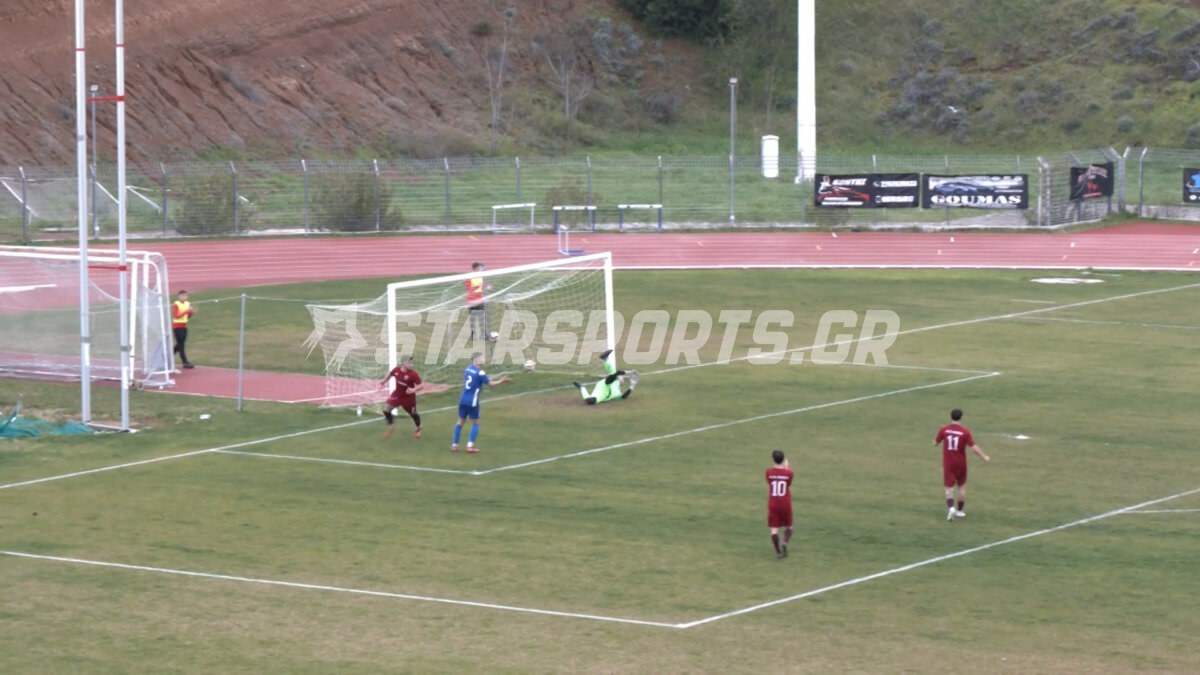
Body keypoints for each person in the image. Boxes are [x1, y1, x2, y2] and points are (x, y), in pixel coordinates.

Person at [934, 408, 991, 521]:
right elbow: (973, 448)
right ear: (961, 417)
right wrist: (984, 456)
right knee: (961, 486)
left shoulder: (944, 430)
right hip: (961, 463)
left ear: (951, 417)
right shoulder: (965, 432)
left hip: (948, 463)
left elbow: (935, 443)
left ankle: (951, 508)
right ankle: (960, 511)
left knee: (949, 487)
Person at [452, 351, 510, 453]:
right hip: (472, 401)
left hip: (463, 399)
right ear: (477, 360)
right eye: (482, 357)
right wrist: (502, 381)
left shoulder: (467, 369)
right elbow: (491, 384)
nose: (484, 359)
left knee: (460, 422)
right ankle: (470, 446)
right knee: (476, 423)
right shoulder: (480, 373)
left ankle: (454, 445)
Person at [380, 354, 424, 440]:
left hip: (409, 398)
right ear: (403, 364)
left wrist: (414, 389)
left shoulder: (413, 374)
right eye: (409, 363)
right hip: (397, 394)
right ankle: (391, 426)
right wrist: (383, 381)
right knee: (386, 410)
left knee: (413, 414)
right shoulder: (396, 370)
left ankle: (418, 428)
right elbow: (390, 374)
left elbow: (421, 385)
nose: (411, 364)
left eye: (412, 362)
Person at [572, 349, 637, 404]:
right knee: (613, 374)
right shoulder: (615, 379)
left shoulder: (618, 393)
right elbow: (616, 374)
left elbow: (624, 396)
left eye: (621, 378)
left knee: (589, 400)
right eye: (621, 377)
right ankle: (605, 359)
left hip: (602, 392)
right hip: (605, 385)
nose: (621, 378)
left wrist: (632, 385)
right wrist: (630, 372)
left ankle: (581, 387)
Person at [766, 449, 794, 559]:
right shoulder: (789, 473)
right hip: (785, 503)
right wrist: (786, 467)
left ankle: (778, 551)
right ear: (783, 460)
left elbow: (770, 482)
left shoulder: (768, 472)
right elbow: (788, 483)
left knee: (774, 530)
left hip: (773, 503)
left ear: (773, 459)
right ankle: (785, 541)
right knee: (789, 526)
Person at [465, 261, 493, 342]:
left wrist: (486, 286)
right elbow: (471, 289)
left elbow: (483, 285)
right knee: (474, 319)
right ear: (476, 268)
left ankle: (484, 335)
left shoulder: (478, 277)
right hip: (473, 301)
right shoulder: (471, 277)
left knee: (481, 318)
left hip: (478, 300)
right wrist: (484, 286)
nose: (481, 269)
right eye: (480, 268)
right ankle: (474, 335)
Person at [171, 290, 196, 369]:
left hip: (184, 326)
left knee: (180, 344)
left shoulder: (187, 304)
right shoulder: (176, 304)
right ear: (179, 297)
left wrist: (191, 313)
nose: (184, 297)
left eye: (185, 296)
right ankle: (185, 361)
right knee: (181, 345)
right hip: (177, 327)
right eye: (182, 296)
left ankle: (168, 356)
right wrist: (186, 311)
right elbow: (176, 316)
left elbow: (187, 317)